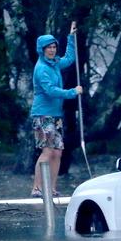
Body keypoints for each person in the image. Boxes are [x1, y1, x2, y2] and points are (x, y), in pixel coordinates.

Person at [30, 22, 82, 198]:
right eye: (48, 48)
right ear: (42, 49)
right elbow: (51, 91)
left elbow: (69, 58)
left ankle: (51, 188)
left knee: (58, 152)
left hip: (56, 115)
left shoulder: (54, 63)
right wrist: (73, 92)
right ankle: (37, 188)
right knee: (47, 151)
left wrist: (71, 37)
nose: (52, 50)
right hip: (42, 114)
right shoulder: (41, 69)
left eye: (53, 47)